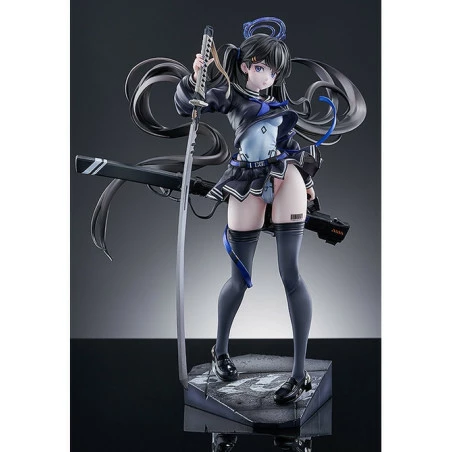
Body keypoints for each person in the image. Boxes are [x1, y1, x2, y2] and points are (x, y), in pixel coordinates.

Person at [91, 17, 366, 405]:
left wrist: (306, 183)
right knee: (239, 276)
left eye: (273, 71)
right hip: (244, 179)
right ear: (246, 65)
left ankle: (299, 373)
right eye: (261, 67)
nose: (267, 76)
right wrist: (195, 77)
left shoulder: (282, 106)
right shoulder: (233, 97)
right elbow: (187, 105)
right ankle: (219, 351)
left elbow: (290, 146)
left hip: (285, 175)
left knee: (290, 273)